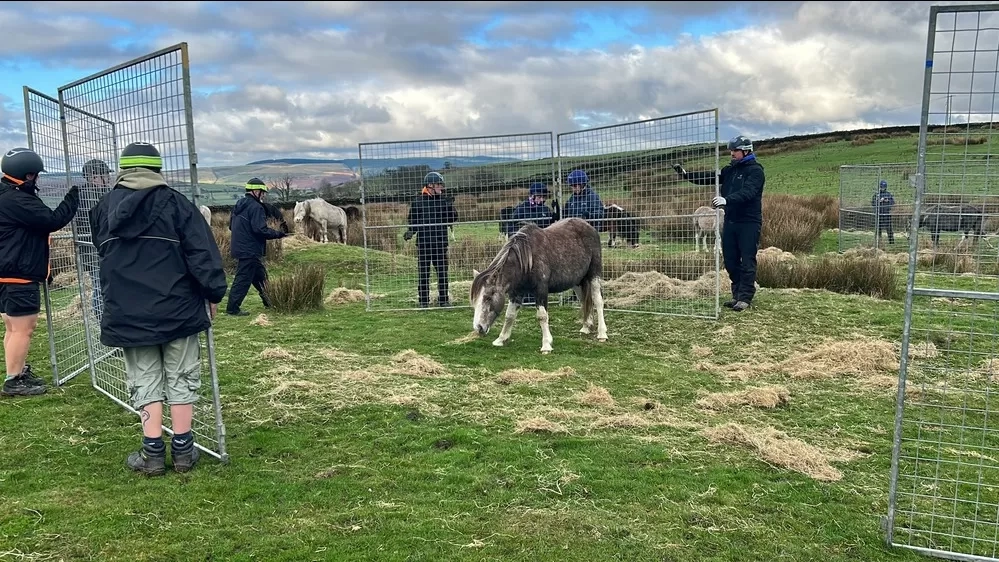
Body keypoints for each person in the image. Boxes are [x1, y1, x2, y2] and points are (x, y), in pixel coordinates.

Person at [89, 141, 228, 476]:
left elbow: (103, 257)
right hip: (178, 307)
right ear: (157, 168)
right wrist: (213, 293)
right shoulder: (179, 206)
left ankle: (152, 453)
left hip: (128, 311)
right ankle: (183, 450)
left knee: (143, 378)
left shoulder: (102, 211)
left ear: (122, 169)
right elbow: (203, 255)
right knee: (181, 376)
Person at [0, 147, 80, 397]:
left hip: (7, 273)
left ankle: (17, 371)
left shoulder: (5, 194)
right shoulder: (17, 199)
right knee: (24, 328)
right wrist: (73, 198)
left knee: (13, 327)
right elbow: (51, 220)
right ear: (29, 174)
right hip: (18, 274)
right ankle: (14, 381)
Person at [673, 134, 765, 312]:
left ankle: (745, 297)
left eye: (735, 150)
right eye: (731, 150)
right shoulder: (730, 170)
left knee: (747, 259)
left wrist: (726, 200)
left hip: (748, 222)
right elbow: (709, 177)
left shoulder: (755, 171)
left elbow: (749, 192)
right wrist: (686, 175)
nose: (732, 153)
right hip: (730, 221)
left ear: (746, 151)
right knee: (730, 259)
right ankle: (736, 294)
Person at [226, 177, 287, 316]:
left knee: (260, 277)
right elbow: (260, 230)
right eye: (262, 192)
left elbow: (231, 227)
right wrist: (278, 234)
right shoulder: (256, 207)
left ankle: (270, 301)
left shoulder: (238, 205)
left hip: (241, 247)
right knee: (243, 280)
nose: (263, 195)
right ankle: (232, 309)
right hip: (250, 249)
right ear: (255, 191)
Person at [403, 171, 458, 308]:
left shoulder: (443, 200)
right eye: (439, 185)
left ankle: (444, 300)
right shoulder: (418, 202)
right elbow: (413, 221)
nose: (441, 187)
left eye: (441, 184)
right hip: (424, 244)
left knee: (442, 273)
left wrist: (449, 206)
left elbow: (452, 219)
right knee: (423, 274)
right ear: (430, 185)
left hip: (440, 243)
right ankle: (423, 301)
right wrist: (411, 231)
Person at [510, 182, 559, 306]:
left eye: (544, 197)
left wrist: (556, 213)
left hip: (541, 250)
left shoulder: (545, 210)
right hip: (525, 249)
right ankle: (524, 296)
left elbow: (552, 227)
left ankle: (536, 296)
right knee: (525, 272)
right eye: (539, 197)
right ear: (532, 196)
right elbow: (511, 226)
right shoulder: (521, 210)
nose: (542, 199)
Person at [77, 158, 114, 317]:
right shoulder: (89, 197)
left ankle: (104, 317)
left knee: (101, 284)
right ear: (94, 177)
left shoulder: (90, 193)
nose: (108, 179)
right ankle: (101, 318)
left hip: (95, 249)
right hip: (95, 250)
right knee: (100, 286)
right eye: (105, 175)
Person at [872, 179, 895, 245]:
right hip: (879, 214)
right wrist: (879, 201)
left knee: (889, 229)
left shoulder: (888, 194)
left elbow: (892, 202)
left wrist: (887, 201)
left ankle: (891, 242)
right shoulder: (876, 195)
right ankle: (879, 242)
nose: (883, 189)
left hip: (887, 214)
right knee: (878, 229)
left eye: (884, 187)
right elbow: (873, 203)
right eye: (882, 187)